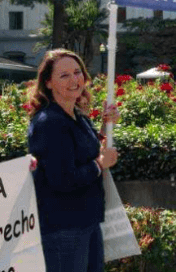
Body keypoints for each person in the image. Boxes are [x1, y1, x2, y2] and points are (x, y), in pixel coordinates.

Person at [26, 49, 119, 272]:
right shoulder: (50, 122)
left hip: (87, 221)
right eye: (64, 75)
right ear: (48, 83)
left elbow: (85, 150)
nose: (74, 79)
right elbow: (64, 179)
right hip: (63, 229)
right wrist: (100, 164)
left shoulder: (76, 116)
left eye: (77, 72)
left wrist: (107, 125)